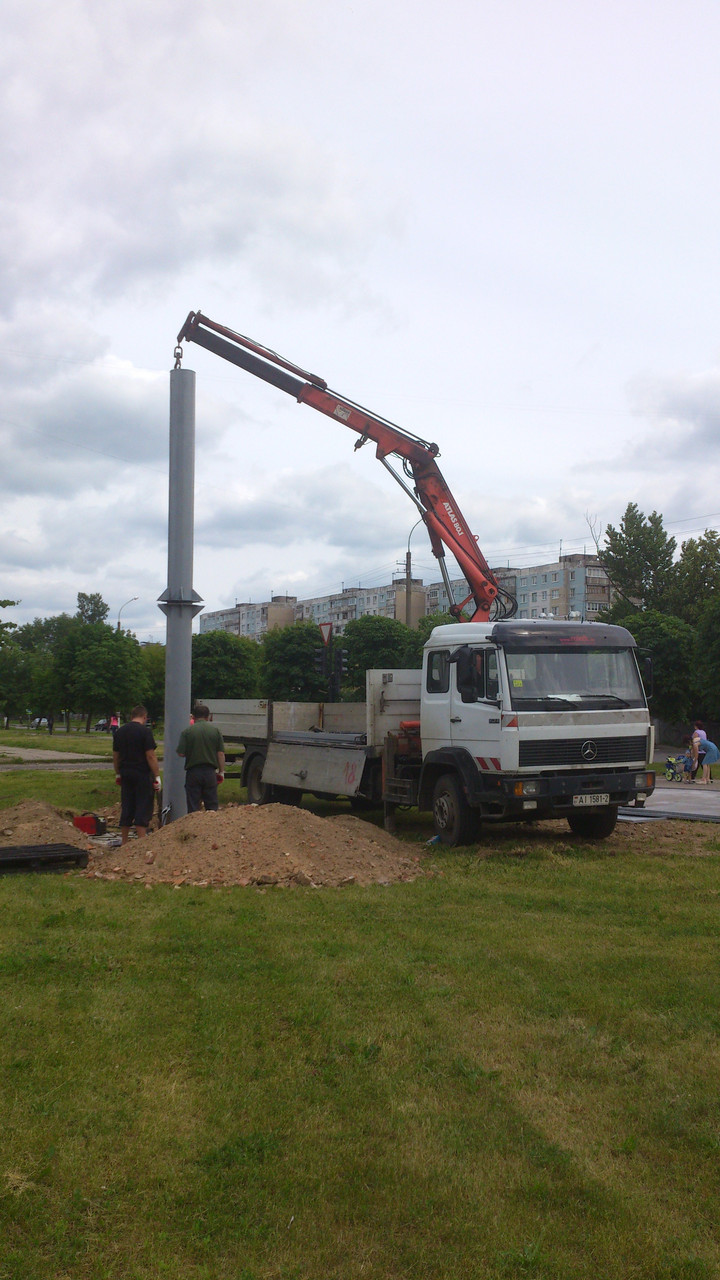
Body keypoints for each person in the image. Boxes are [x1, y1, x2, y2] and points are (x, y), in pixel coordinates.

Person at [113, 705, 161, 844]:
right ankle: (141, 842)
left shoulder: (120, 732)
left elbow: (116, 755)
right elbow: (150, 755)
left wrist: (117, 773)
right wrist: (156, 775)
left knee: (127, 804)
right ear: (144, 716)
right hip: (142, 773)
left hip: (126, 773)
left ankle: (124, 841)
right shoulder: (145, 732)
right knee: (143, 804)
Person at [177, 703, 225, 813]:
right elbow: (221, 753)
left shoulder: (187, 732)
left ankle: (193, 828)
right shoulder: (215, 731)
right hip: (210, 772)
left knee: (193, 805)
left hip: (193, 772)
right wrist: (221, 772)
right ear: (208, 717)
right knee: (212, 805)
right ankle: (211, 827)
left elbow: (181, 753)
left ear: (193, 716)